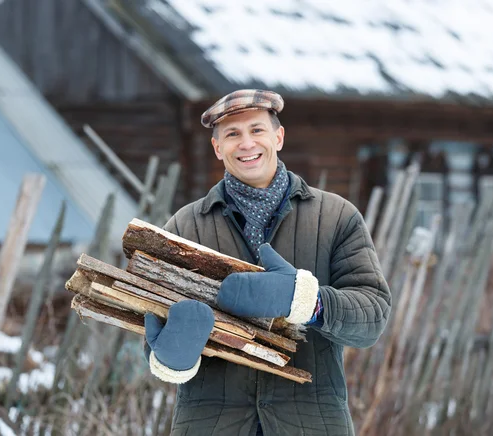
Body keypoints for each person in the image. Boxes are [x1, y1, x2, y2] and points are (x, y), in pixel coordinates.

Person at [143, 89, 392, 436]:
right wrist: (174, 354)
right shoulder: (185, 227)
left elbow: (372, 317)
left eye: (256, 130)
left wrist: (305, 301)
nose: (246, 143)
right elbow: (154, 338)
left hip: (310, 424)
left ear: (278, 136)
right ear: (218, 148)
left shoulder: (336, 217)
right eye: (232, 134)